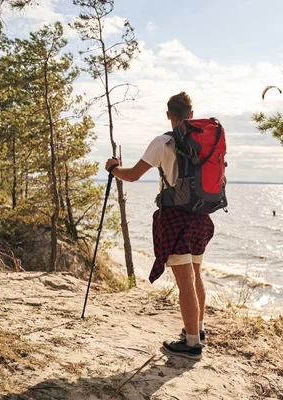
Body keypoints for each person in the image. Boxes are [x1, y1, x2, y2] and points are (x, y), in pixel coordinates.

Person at [105, 92, 213, 360]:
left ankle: (191, 345)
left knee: (185, 281)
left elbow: (131, 176)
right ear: (191, 113)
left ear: (169, 115)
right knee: (196, 275)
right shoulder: (206, 141)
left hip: (176, 218)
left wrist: (113, 168)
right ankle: (197, 331)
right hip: (202, 216)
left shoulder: (163, 142)